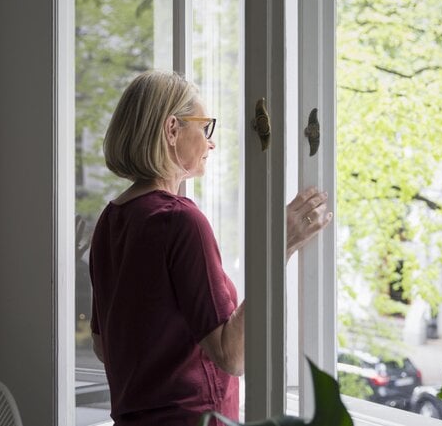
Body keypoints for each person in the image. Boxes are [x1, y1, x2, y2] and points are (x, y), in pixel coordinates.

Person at [88, 70, 332, 426]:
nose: (210, 143)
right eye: (204, 129)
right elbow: (233, 357)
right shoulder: (180, 220)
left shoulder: (112, 219)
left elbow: (101, 346)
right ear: (172, 129)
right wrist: (280, 247)